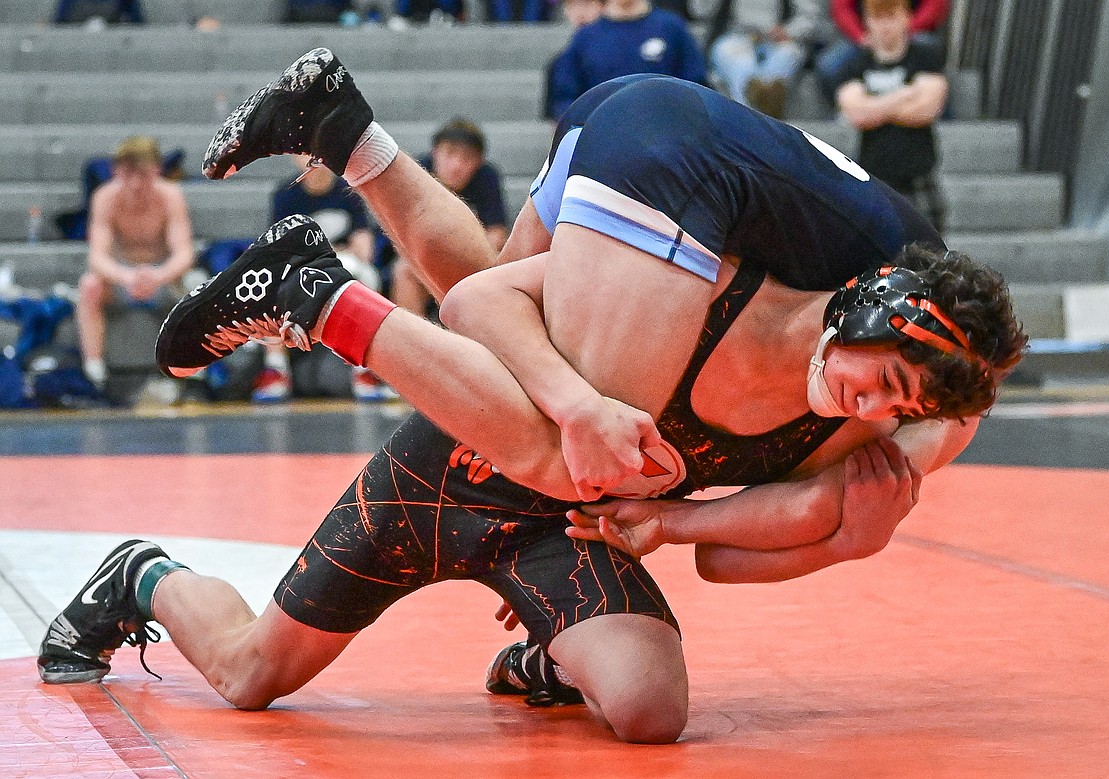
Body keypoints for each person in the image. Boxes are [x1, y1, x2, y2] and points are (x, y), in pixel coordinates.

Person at [39, 53, 1025, 744]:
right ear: (857, 311)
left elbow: (737, 548)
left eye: (886, 403)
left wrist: (741, 525)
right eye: (872, 373)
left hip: (571, 501)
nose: (861, 397)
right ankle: (160, 544)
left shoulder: (883, 410)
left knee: (648, 701)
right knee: (256, 671)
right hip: (485, 423)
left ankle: (345, 129)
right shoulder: (736, 291)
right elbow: (475, 310)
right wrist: (574, 402)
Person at [255, 154, 394, 401]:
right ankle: (276, 369)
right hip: (301, 266)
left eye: (317, 152)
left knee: (366, 278)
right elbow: (277, 249)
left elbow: (364, 245)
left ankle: (363, 370)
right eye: (303, 153)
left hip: (342, 263)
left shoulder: (350, 191)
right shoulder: (284, 195)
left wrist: (347, 254)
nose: (311, 159)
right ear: (292, 157)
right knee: (269, 284)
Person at [75, 135, 195, 390]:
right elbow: (97, 257)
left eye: (144, 175)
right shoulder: (105, 198)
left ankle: (195, 363)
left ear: (157, 170)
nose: (136, 185)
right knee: (89, 285)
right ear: (116, 171)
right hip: (122, 278)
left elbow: (184, 254)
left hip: (163, 277)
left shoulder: (171, 195)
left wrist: (158, 276)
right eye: (129, 175)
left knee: (199, 284)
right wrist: (128, 277)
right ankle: (93, 367)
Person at [836, 0, 948, 232]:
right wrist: (906, 94)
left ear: (907, 17)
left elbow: (927, 110)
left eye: (892, 17)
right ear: (867, 21)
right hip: (874, 176)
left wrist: (875, 106)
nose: (885, 26)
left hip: (919, 172)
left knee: (932, 255)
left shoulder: (926, 57)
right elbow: (856, 115)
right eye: (878, 18)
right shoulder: (856, 63)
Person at [392, 118, 510, 322]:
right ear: (435, 152)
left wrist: (462, 257)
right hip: (422, 257)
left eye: (467, 158)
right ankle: (412, 345)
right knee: (403, 271)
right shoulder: (417, 172)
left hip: (470, 259)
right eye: (450, 154)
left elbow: (497, 233)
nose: (456, 165)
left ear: (479, 162)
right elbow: (398, 231)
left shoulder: (487, 177)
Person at [546, 0, 708, 119]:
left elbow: (697, 86)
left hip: (665, 138)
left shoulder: (671, 28)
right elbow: (565, 101)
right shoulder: (585, 38)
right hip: (604, 141)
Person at [708, 0, 835, 119]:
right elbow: (702, 11)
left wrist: (789, 31)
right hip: (736, 36)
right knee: (742, 65)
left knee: (787, 57)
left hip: (781, 40)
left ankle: (764, 113)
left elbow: (810, 17)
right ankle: (751, 118)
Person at [815, 0, 948, 103]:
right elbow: (841, 9)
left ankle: (942, 118)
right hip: (864, 36)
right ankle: (844, 112)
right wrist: (861, 36)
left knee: (931, 54)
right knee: (828, 64)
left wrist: (904, 29)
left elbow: (935, 6)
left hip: (913, 33)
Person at [543, 0, 606, 121]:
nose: (580, 13)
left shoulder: (609, 55)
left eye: (587, 4)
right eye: (572, 6)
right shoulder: (559, 62)